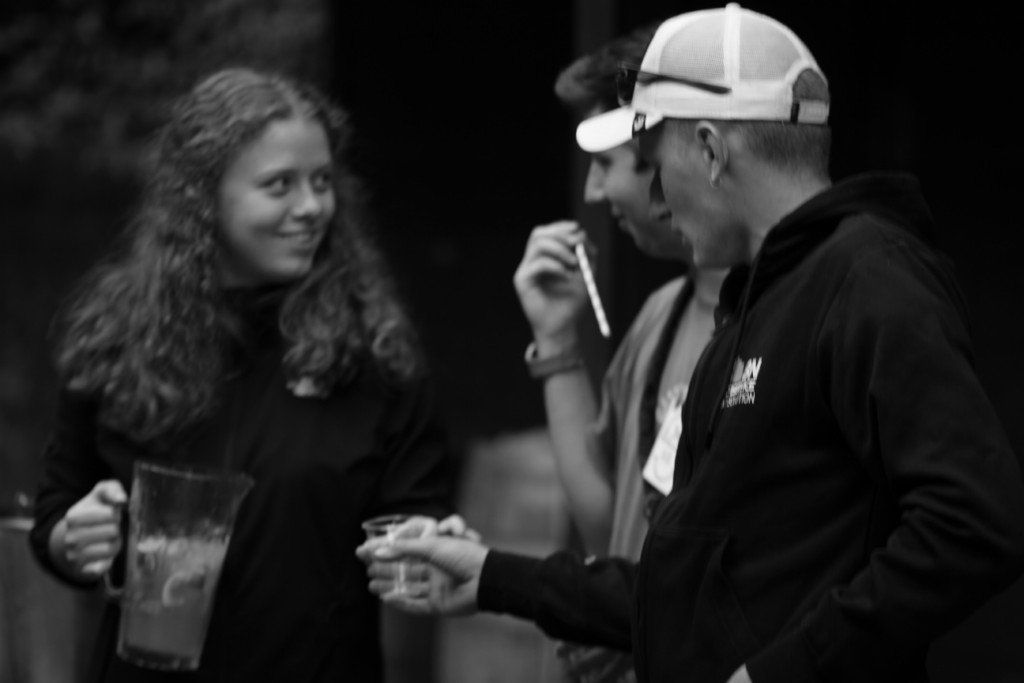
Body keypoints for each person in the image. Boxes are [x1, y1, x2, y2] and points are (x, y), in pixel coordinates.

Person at [359, 5, 1024, 682]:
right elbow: (689, 593)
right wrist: (492, 577)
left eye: (652, 164)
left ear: (709, 150)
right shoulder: (752, 304)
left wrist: (777, 674)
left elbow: (975, 524)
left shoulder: (868, 277)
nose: (654, 195)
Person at [29, 67, 456, 682]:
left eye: (322, 181)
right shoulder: (117, 340)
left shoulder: (372, 349)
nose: (311, 207)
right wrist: (73, 540)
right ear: (203, 199)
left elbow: (417, 510)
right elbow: (57, 512)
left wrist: (426, 543)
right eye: (280, 185)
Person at [514, 22, 727, 683]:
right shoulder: (662, 313)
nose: (592, 193)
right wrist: (555, 339)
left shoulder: (787, 319)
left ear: (670, 153)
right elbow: (610, 521)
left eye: (604, 165)